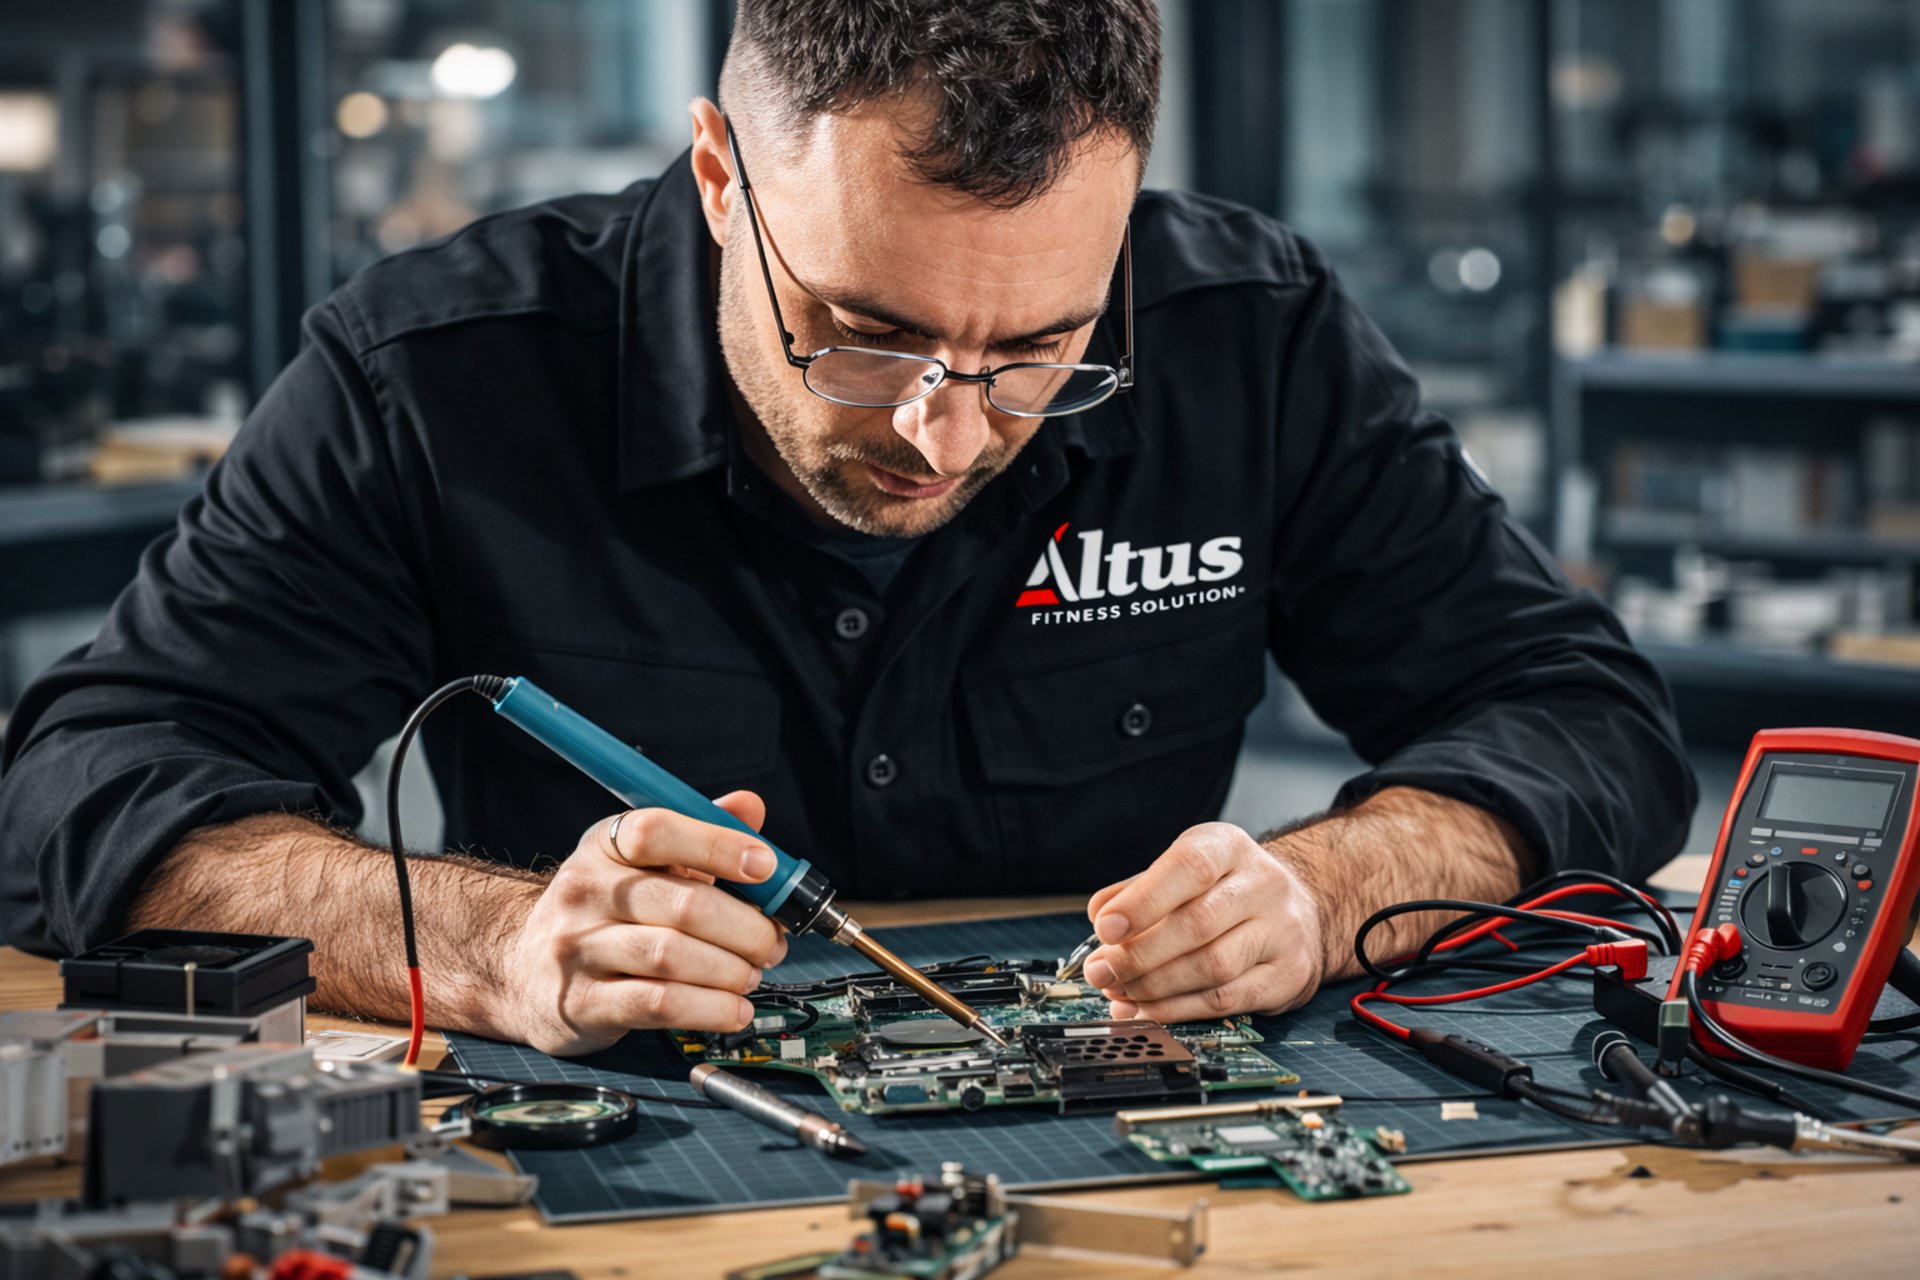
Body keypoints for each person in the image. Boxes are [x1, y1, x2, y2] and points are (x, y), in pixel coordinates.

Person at [0, 0, 1694, 1057]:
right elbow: (84, 786)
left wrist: (1333, 890)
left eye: (1041, 353)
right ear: (724, 176)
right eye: (866, 332)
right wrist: (492, 943)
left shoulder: (1247, 331)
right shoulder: (436, 371)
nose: (943, 430)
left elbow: (1584, 721)